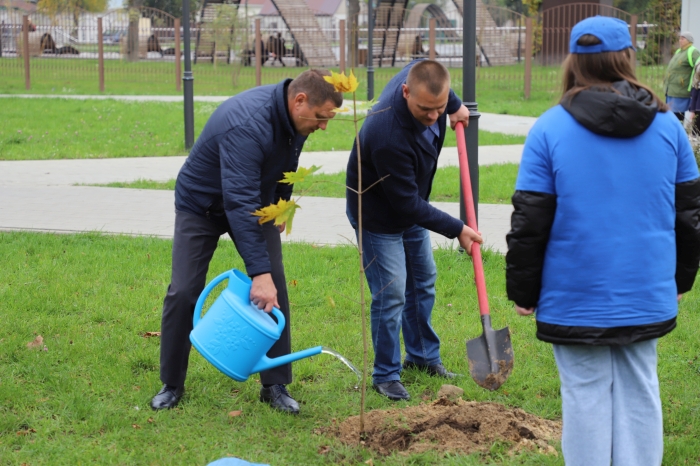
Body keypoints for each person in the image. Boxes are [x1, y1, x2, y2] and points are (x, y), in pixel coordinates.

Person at [506, 16, 700, 466]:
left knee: (584, 398)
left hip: (573, 295)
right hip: (645, 291)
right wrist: (680, 279)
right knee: (640, 392)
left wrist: (523, 290)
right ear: (627, 58)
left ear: (573, 62)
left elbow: (530, 222)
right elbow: (689, 215)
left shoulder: (548, 130)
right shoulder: (669, 128)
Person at [151, 70, 342, 414]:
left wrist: (281, 205)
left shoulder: (296, 119)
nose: (323, 126)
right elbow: (238, 202)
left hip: (254, 202)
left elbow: (288, 163)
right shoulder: (248, 124)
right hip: (203, 205)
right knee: (184, 290)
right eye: (321, 118)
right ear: (300, 101)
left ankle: (275, 385)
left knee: (276, 288)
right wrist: (259, 273)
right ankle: (172, 383)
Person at [345, 59, 483, 401]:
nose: (434, 116)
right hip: (378, 216)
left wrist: (455, 105)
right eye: (425, 109)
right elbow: (406, 203)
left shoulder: (426, 89)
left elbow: (425, 69)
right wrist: (458, 229)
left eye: (439, 107)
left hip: (409, 209)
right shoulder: (387, 133)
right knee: (391, 294)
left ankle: (422, 356)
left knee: (423, 281)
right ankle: (386, 374)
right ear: (405, 92)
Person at [663, 31, 700, 121]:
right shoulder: (679, 51)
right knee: (671, 113)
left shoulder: (693, 52)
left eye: (683, 39)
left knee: (677, 114)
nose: (680, 40)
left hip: (681, 89)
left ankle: (679, 132)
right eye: (679, 38)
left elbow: (698, 67)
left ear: (689, 40)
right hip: (671, 89)